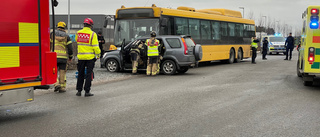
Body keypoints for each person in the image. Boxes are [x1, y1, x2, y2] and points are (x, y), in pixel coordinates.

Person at [75, 18, 101, 97]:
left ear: (84, 25)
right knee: (89, 74)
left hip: (81, 57)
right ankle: (87, 91)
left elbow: (77, 41)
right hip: (90, 58)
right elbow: (95, 47)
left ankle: (79, 91)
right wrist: (98, 54)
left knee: (80, 74)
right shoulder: (93, 34)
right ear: (91, 26)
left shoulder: (78, 33)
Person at [51, 21, 73, 93]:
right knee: (62, 72)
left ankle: (56, 84)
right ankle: (62, 88)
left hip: (54, 56)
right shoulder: (67, 36)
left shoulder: (52, 34)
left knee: (53, 71)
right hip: (63, 58)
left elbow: (47, 44)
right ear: (64, 27)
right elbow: (70, 48)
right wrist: (70, 56)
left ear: (57, 26)